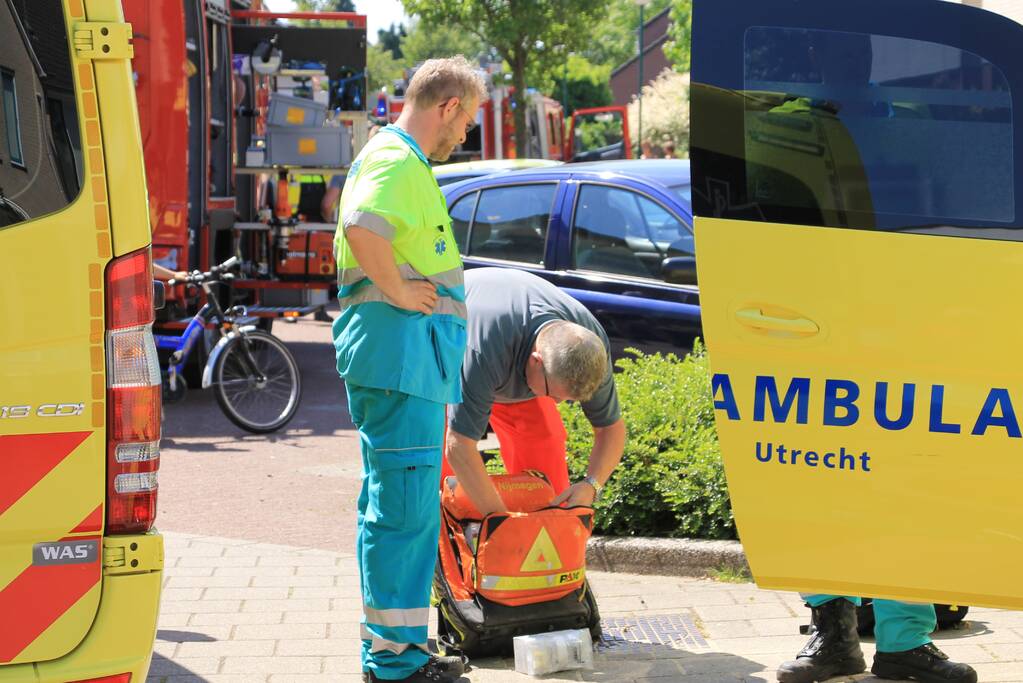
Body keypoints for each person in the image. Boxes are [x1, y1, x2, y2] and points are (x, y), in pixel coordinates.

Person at [774, 30, 976, 683]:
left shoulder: (915, 129)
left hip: (899, 334)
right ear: (811, 54)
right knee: (816, 480)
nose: (844, 52)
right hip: (811, 337)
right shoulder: (777, 134)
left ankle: (901, 642)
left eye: (855, 42)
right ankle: (831, 632)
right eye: (833, 42)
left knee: (901, 486)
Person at [331, 56, 486, 683]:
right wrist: (397, 290)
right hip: (403, 360)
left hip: (401, 361)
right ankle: (395, 663)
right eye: (468, 119)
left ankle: (396, 650)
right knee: (402, 511)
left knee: (393, 505)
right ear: (447, 106)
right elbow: (362, 227)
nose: (467, 134)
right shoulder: (397, 160)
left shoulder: (391, 157)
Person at [442, 268, 626, 515]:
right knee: (439, 474)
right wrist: (500, 522)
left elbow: (610, 429)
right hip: (444, 348)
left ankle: (547, 541)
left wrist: (591, 485)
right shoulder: (483, 350)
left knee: (546, 451)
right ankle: (441, 543)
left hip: (512, 362)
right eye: (555, 394)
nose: (559, 403)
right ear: (536, 360)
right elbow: (458, 446)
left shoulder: (590, 349)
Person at [320, 123, 381, 223]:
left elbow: (327, 204)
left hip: (351, 227)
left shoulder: (346, 171)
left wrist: (330, 224)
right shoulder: (389, 170)